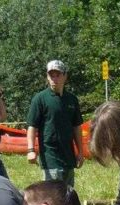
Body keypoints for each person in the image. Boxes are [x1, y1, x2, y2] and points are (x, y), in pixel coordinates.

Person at [26, 59, 84, 187]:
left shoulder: (72, 99)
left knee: (68, 194)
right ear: (47, 77)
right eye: (51, 75)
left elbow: (76, 127)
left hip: (68, 156)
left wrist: (80, 151)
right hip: (50, 156)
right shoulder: (40, 99)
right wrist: (30, 150)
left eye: (57, 75)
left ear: (65, 76)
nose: (54, 78)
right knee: (54, 195)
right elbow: (32, 126)